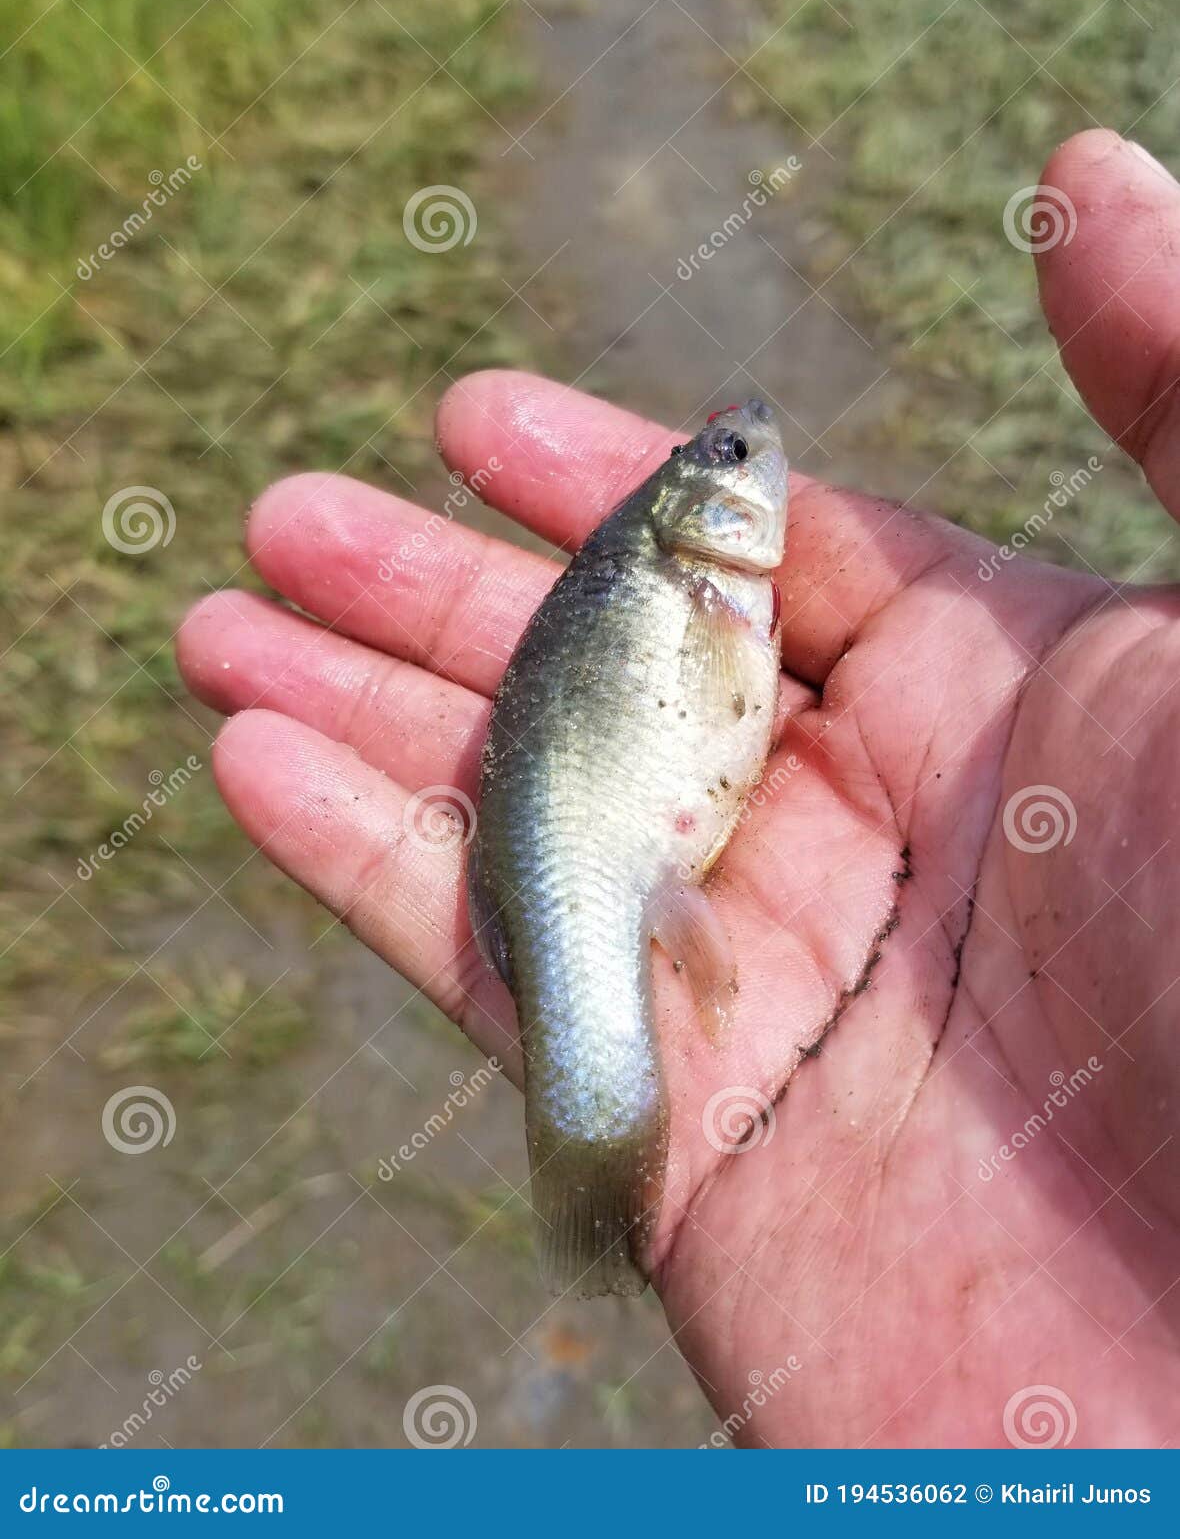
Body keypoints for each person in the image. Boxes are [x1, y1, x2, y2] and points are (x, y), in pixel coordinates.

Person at [178, 130, 1180, 1448]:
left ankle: (591, 1154)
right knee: (593, 1038)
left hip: (639, 832)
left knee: (591, 1023)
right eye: (724, 465)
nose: (753, 454)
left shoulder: (715, 585)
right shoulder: (693, 577)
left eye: (730, 457)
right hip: (618, 835)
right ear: (696, 522)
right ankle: (594, 1149)